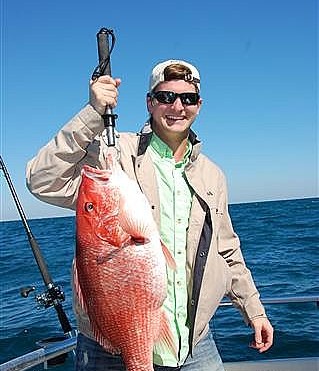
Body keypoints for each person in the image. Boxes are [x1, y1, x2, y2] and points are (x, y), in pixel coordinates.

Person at [26, 59, 274, 370]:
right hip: (113, 348)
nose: (177, 106)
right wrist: (92, 113)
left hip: (194, 342)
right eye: (166, 97)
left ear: (199, 105)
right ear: (150, 102)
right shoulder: (113, 154)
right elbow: (41, 179)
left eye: (188, 98)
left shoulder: (213, 175)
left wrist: (255, 311)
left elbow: (227, 251)